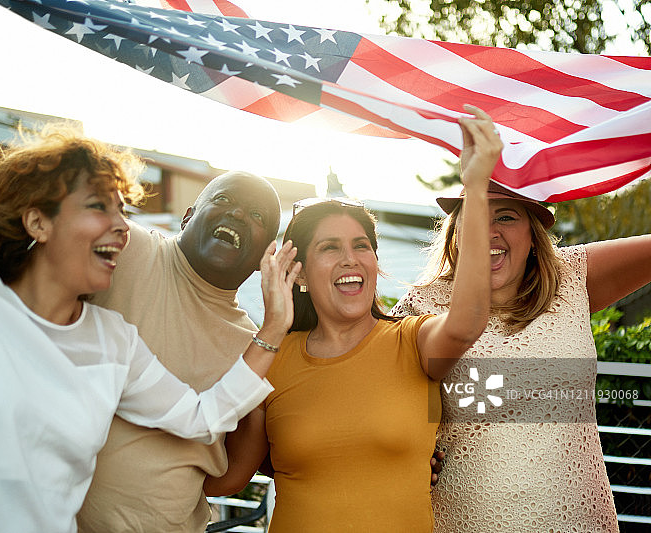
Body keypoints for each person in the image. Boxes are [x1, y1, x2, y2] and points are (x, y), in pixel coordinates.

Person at [0, 3, 301, 532]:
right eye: (99, 207)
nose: (119, 226)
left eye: (120, 209)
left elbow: (202, 417)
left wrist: (273, 329)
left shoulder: (113, 342)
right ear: (35, 222)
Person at [203, 106, 501, 531]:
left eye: (361, 245)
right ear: (299, 272)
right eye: (329, 247)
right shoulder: (271, 356)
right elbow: (228, 477)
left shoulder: (412, 342)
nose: (350, 259)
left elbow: (469, 319)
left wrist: (475, 187)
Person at [390, 175, 651, 531]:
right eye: (477, 217)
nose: (489, 232)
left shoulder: (571, 278)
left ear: (532, 235)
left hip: (581, 521)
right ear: (456, 235)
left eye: (506, 217)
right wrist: (410, 457)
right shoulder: (420, 306)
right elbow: (379, 405)